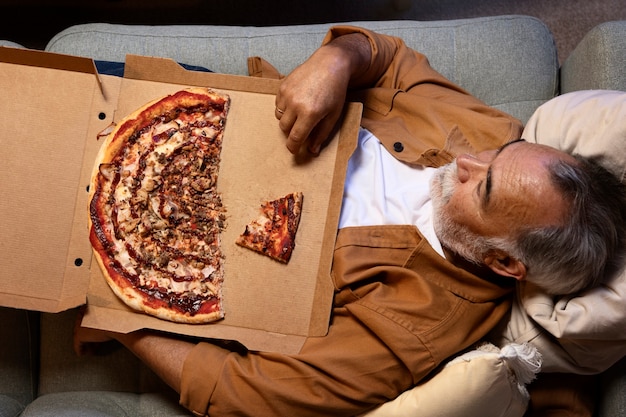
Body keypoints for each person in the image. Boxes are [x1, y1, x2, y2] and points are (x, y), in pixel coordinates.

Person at [75, 26, 626, 416]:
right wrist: (337, 61)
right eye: (503, 154)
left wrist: (120, 312)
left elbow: (242, 396)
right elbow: (389, 59)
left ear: (503, 261)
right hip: (193, 119)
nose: (470, 160)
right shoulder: (491, 134)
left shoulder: (415, 330)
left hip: (151, 248)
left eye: (482, 187)